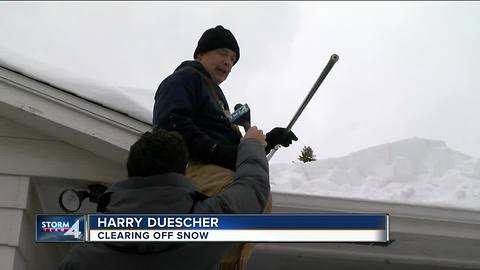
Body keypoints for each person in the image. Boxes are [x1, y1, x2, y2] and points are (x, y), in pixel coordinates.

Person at [153, 25, 297, 270]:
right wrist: (217, 152)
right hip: (199, 171)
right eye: (222, 53)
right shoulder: (185, 78)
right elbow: (172, 124)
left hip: (222, 175)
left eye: (233, 59)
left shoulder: (218, 98)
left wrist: (268, 140)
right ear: (200, 54)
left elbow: (233, 152)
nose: (228, 62)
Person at [59, 127, 270, 270]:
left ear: (131, 169)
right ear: (183, 172)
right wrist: (252, 144)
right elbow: (253, 186)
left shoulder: (81, 254)